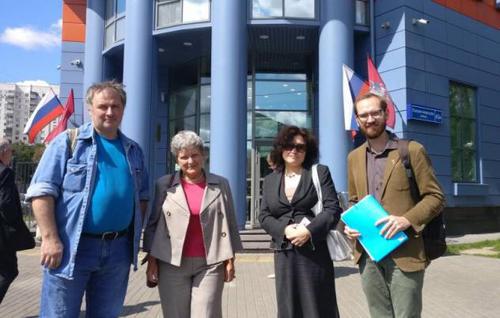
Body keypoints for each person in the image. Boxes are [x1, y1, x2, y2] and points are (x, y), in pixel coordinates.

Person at [25, 81, 149, 317]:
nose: (110, 112)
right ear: (90, 109)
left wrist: (135, 235)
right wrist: (50, 239)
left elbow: (142, 197)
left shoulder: (134, 150)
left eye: (116, 106)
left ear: (123, 109)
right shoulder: (67, 143)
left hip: (117, 251)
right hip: (72, 248)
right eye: (103, 106)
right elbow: (41, 192)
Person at [344, 92, 445, 318]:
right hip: (368, 253)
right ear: (358, 120)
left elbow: (436, 197)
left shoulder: (411, 150)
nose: (370, 119)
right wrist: (350, 225)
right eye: (364, 115)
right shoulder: (354, 157)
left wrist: (406, 220)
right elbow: (354, 200)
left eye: (375, 113)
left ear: (386, 114)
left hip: (405, 252)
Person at [143, 130, 242, 318]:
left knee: (206, 314)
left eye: (194, 155)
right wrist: (151, 261)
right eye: (184, 157)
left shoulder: (221, 184)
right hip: (171, 262)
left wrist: (231, 259)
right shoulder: (164, 184)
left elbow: (229, 223)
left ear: (203, 155)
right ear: (177, 160)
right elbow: (153, 224)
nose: (190, 161)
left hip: (211, 263)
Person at [259, 125, 342, 318]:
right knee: (289, 307)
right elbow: (263, 216)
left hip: (314, 253)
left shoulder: (319, 172)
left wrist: (309, 231)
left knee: (318, 306)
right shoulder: (271, 180)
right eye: (289, 145)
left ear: (307, 151)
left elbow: (332, 209)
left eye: (300, 147)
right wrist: (284, 230)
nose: (294, 151)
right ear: (281, 148)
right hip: (285, 254)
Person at [0, 140, 28, 303]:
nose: (12, 155)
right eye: (11, 151)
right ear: (3, 152)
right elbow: (6, 203)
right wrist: (16, 224)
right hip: (3, 235)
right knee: (9, 271)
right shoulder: (5, 173)